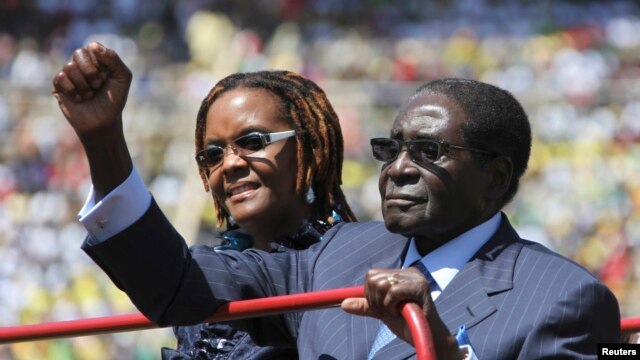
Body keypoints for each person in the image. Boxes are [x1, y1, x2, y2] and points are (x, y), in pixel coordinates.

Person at [53, 42, 620, 359]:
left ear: (496, 178)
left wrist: (440, 348)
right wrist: (103, 142)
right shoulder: (336, 253)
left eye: (427, 151)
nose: (397, 168)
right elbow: (175, 287)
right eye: (390, 149)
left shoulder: (564, 298)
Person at [52, 42, 356, 359]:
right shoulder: (210, 279)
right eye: (213, 154)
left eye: (253, 141)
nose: (230, 163)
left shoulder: (348, 262)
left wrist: (104, 137)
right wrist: (100, 136)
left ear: (308, 150)